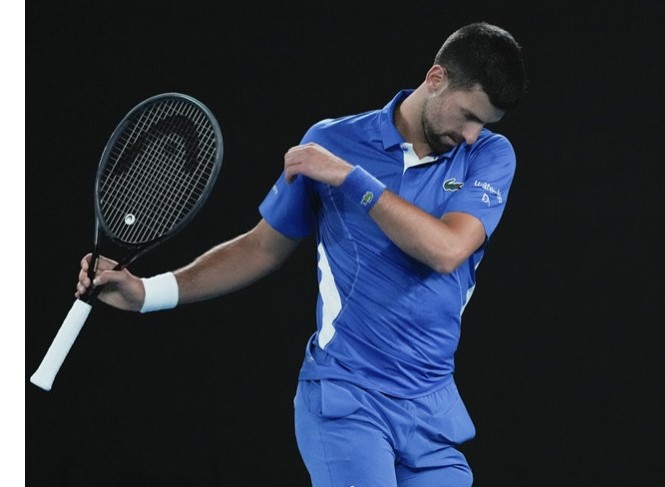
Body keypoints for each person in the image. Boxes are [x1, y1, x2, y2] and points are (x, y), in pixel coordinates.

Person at [76, 21, 528, 487]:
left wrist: (350, 178)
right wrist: (147, 293)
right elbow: (260, 248)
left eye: (484, 123)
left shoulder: (489, 156)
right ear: (436, 79)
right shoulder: (331, 142)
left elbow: (447, 250)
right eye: (467, 115)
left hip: (431, 413)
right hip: (347, 400)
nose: (471, 134)